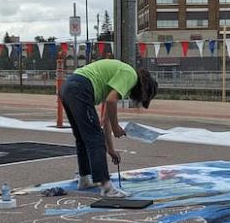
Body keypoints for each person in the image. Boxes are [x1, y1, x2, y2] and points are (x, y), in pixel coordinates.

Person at [60, 57, 157, 198]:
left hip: (68, 87)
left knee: (82, 138)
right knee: (94, 138)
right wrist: (117, 127)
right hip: (80, 88)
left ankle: (84, 179)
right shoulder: (130, 75)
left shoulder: (118, 78)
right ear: (144, 88)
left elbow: (105, 121)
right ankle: (107, 188)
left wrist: (110, 149)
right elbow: (111, 101)